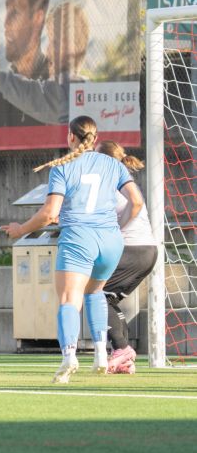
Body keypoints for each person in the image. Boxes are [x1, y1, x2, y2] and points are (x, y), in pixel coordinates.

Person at [2, 116, 143, 383]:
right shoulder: (113, 164)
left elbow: (50, 214)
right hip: (111, 240)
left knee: (69, 299)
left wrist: (20, 230)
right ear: (96, 137)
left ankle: (68, 357)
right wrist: (117, 227)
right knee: (95, 292)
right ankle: (101, 355)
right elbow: (136, 202)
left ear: (70, 137)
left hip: (79, 237)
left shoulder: (63, 168)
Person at [96, 141, 158, 375]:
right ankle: (123, 357)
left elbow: (135, 204)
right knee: (108, 298)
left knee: (95, 294)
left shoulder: (112, 184)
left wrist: (118, 229)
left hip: (133, 250)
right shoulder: (122, 182)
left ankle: (122, 349)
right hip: (147, 250)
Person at [0, 0, 90, 125]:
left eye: (54, 42)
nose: (47, 50)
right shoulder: (85, 89)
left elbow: (33, 97)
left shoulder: (68, 90)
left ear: (72, 48)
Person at [0, 0, 51, 128]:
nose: (6, 23)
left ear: (38, 17)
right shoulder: (1, 98)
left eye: (15, 11)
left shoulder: (55, 90)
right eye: (6, 9)